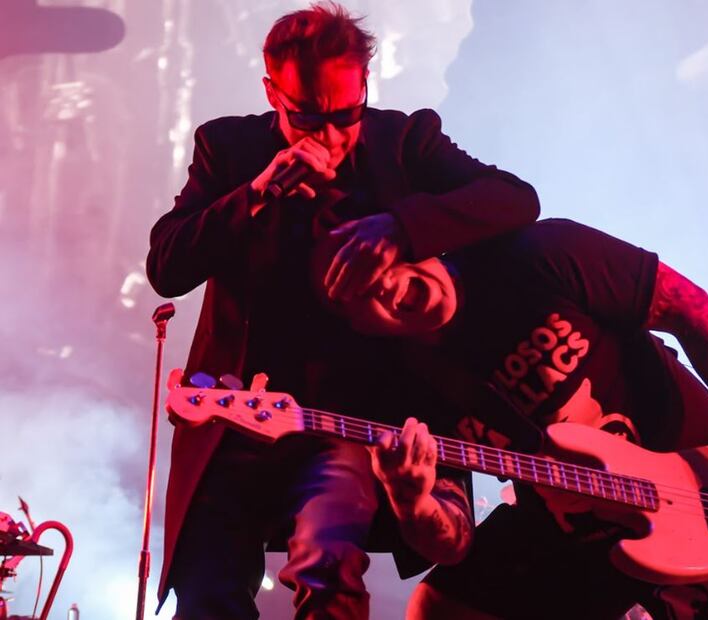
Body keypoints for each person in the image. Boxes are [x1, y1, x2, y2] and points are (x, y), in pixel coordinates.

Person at [145, 2, 539, 617]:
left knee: (327, 570)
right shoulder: (228, 147)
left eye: (346, 115)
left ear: (364, 85)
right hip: (235, 416)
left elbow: (515, 200)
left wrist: (402, 225)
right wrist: (254, 195)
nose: (329, 135)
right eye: (306, 117)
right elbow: (166, 268)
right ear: (272, 93)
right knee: (206, 592)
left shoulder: (404, 142)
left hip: (349, 424)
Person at [339, 218, 708, 619]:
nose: (382, 284)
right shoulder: (410, 393)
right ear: (354, 326)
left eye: (377, 263)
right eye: (355, 291)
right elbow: (453, 539)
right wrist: (413, 504)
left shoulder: (535, 254)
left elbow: (687, 307)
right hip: (580, 530)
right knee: (439, 610)